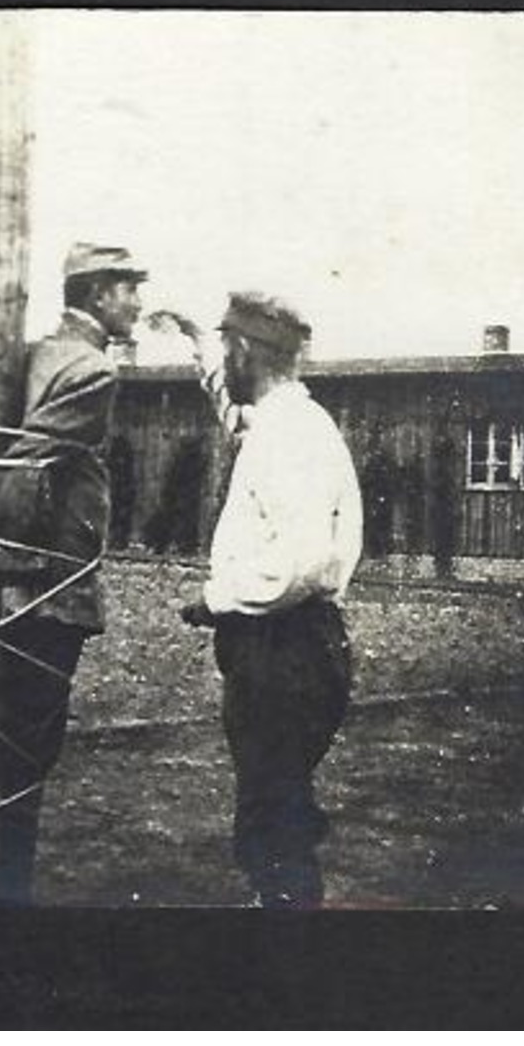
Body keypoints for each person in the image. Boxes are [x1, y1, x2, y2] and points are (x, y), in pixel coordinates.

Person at [156, 292, 363, 908]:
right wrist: (197, 343)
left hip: (284, 650)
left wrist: (216, 598)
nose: (225, 360)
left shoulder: (291, 437)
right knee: (275, 804)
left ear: (246, 350)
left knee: (273, 819)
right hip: (288, 646)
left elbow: (297, 565)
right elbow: (233, 411)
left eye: (227, 348)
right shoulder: (281, 422)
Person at [0, 241, 146, 903]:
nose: (137, 300)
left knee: (6, 742)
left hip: (20, 587)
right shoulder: (91, 371)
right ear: (98, 294)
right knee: (26, 753)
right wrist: (18, 570)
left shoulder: (37, 355)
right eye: (128, 288)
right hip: (46, 593)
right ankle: (3, 904)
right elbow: (25, 468)